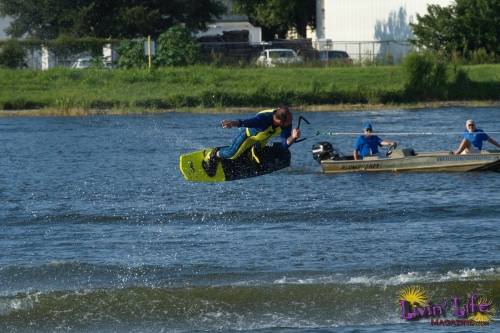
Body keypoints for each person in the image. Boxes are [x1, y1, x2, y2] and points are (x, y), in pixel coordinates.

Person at [202, 105, 301, 176]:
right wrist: (234, 123)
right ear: (280, 121)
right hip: (248, 137)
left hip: (261, 141)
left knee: (273, 152)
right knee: (231, 154)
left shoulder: (285, 121)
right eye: (289, 121)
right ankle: (214, 154)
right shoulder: (264, 119)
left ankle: (251, 152)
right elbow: (249, 122)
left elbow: (284, 144)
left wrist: (293, 137)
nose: (291, 123)